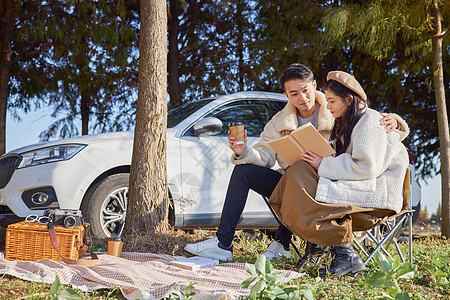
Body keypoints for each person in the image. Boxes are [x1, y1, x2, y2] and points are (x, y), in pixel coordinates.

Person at [184, 64, 408, 262]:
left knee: (297, 172)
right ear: (286, 95)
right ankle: (223, 244)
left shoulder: (337, 110)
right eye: (294, 94)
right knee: (246, 171)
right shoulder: (280, 121)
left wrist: (395, 121)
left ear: (314, 85)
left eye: (306, 90)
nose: (302, 98)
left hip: (329, 182)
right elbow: (266, 154)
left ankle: (282, 244)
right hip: (296, 180)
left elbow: (369, 126)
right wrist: (245, 152)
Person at [267, 70, 409, 277]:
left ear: (349, 100)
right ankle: (337, 251)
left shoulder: (370, 120)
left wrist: (323, 163)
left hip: (376, 192)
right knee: (297, 170)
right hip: (358, 183)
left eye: (331, 101)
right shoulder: (348, 122)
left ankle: (343, 253)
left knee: (309, 186)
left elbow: (366, 167)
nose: (328, 105)